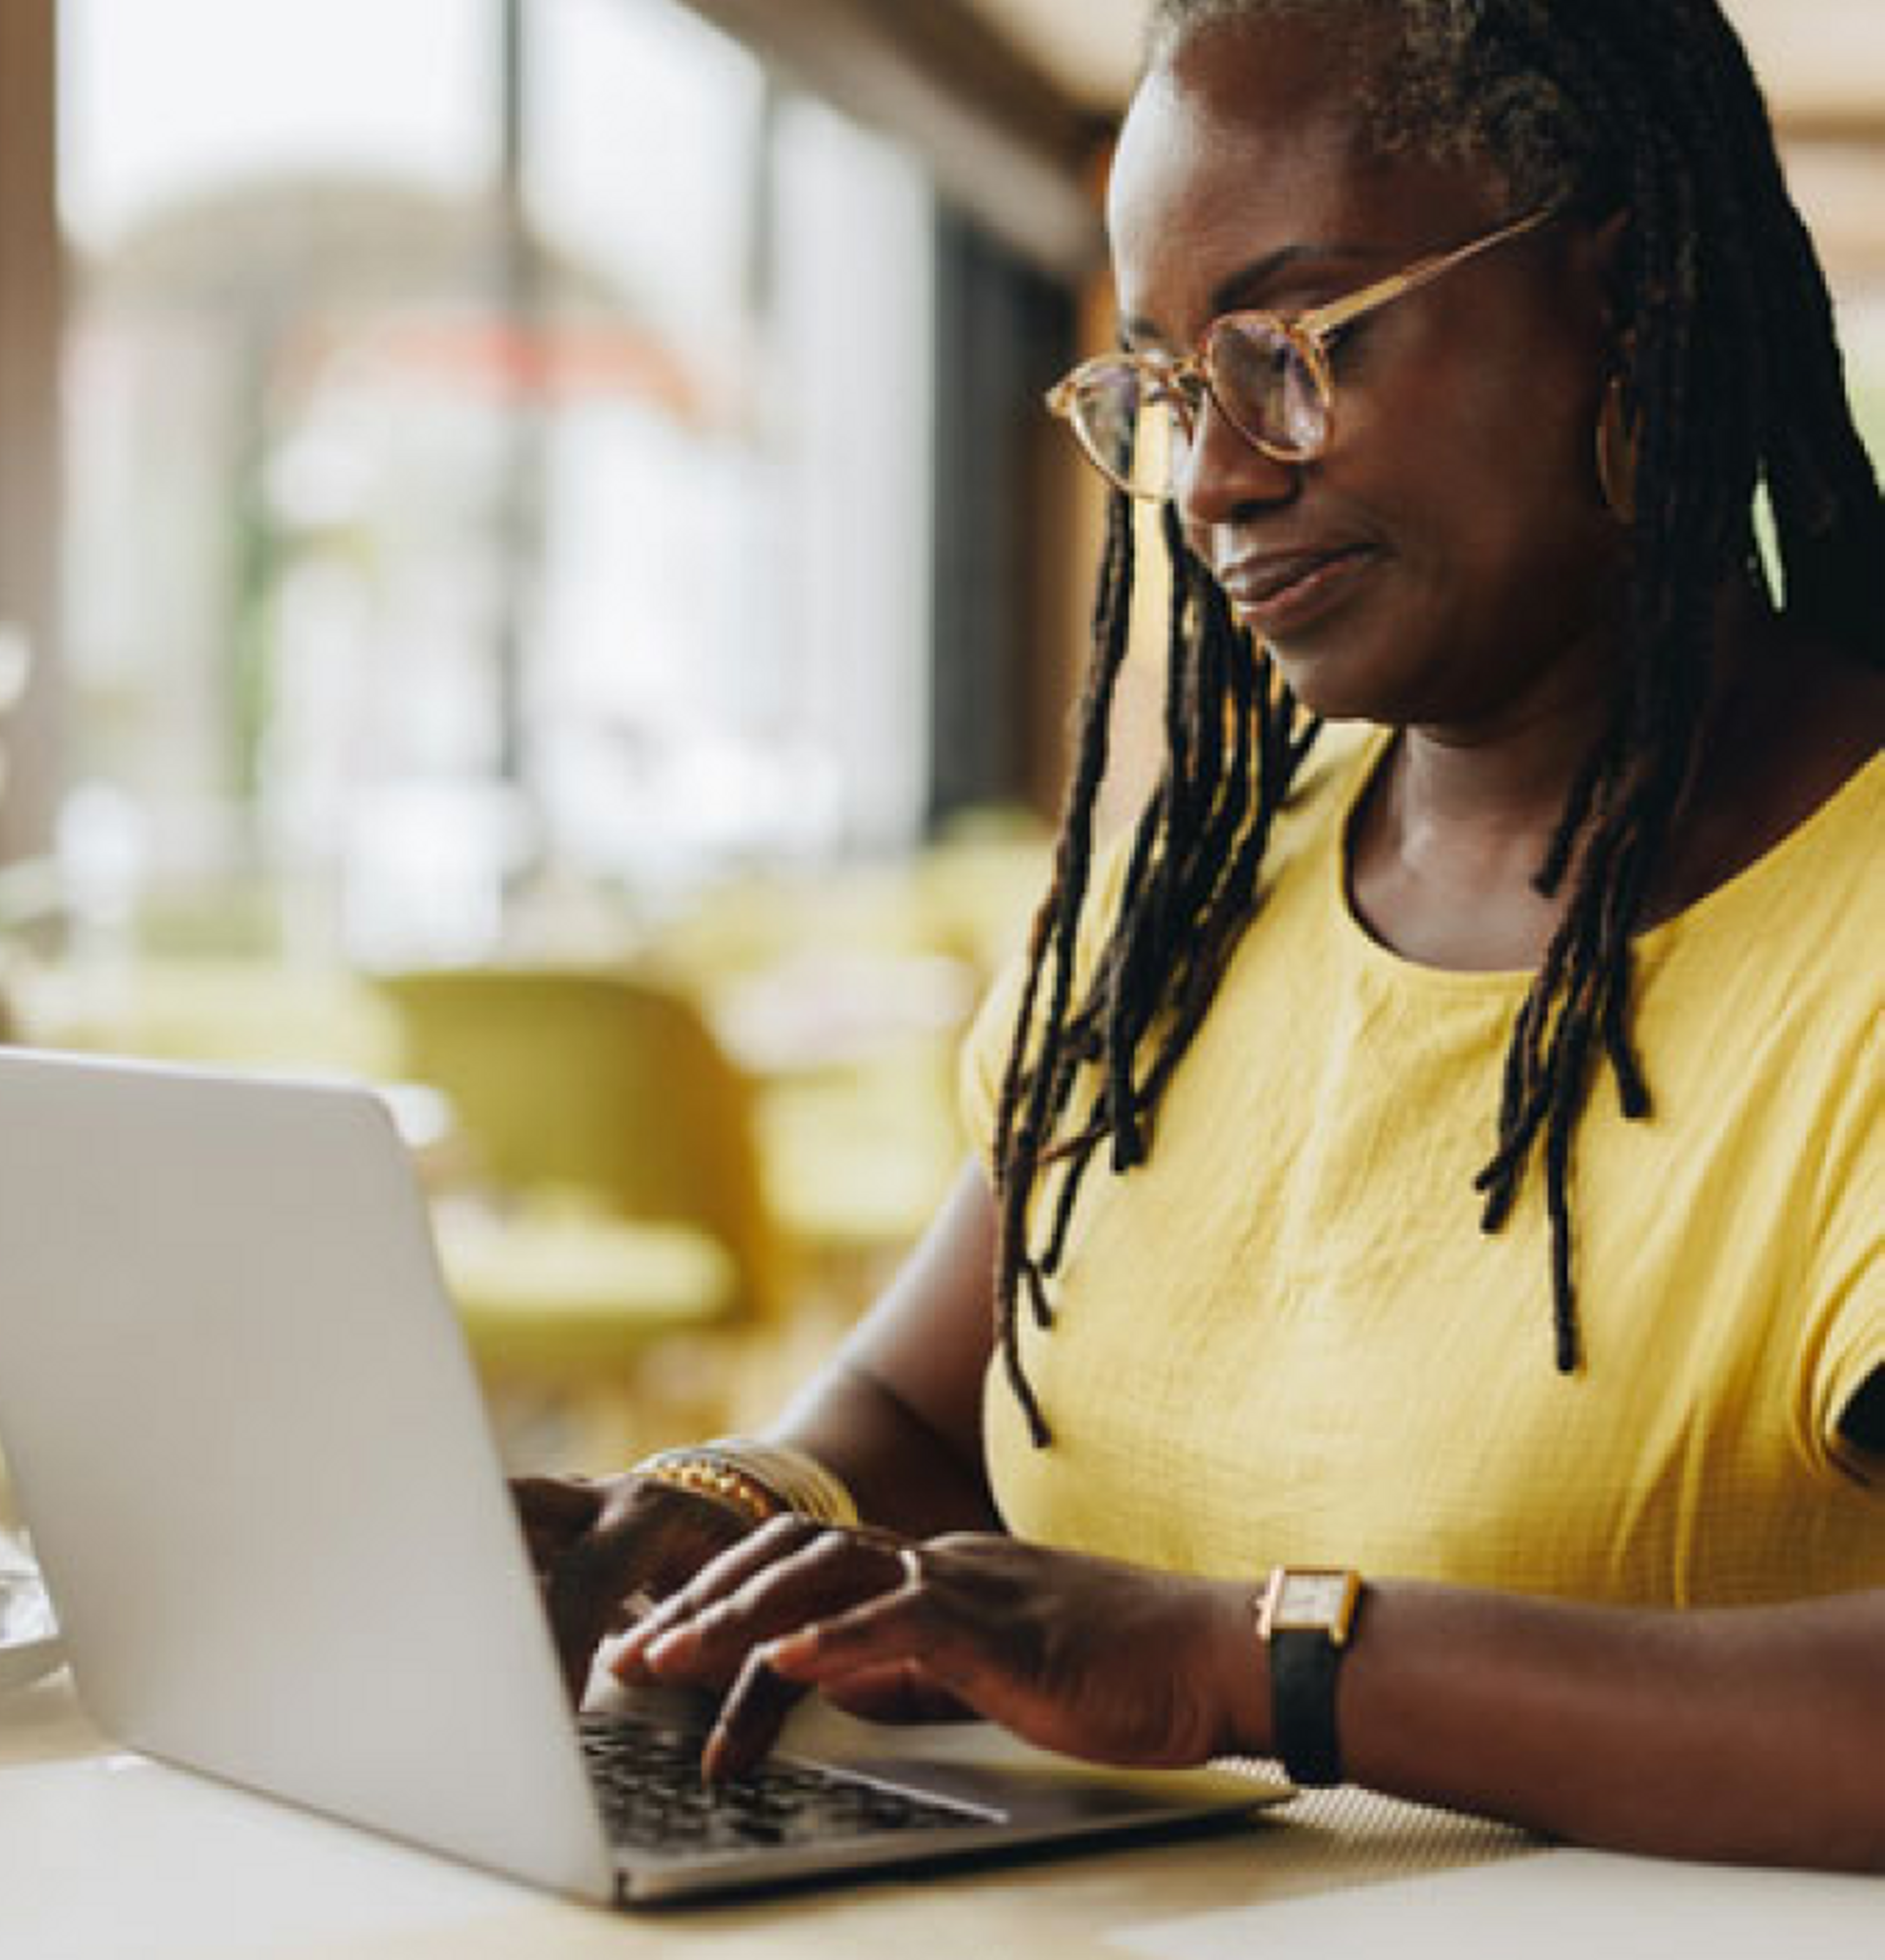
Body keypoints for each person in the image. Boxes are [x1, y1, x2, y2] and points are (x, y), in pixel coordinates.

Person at [519, 0, 1885, 1872]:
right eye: (1165, 387)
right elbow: (929, 1405)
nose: (1217, 480)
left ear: (1628, 294)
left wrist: (1261, 1665)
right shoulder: (1182, 912)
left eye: (1290, 348)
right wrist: (696, 1520)